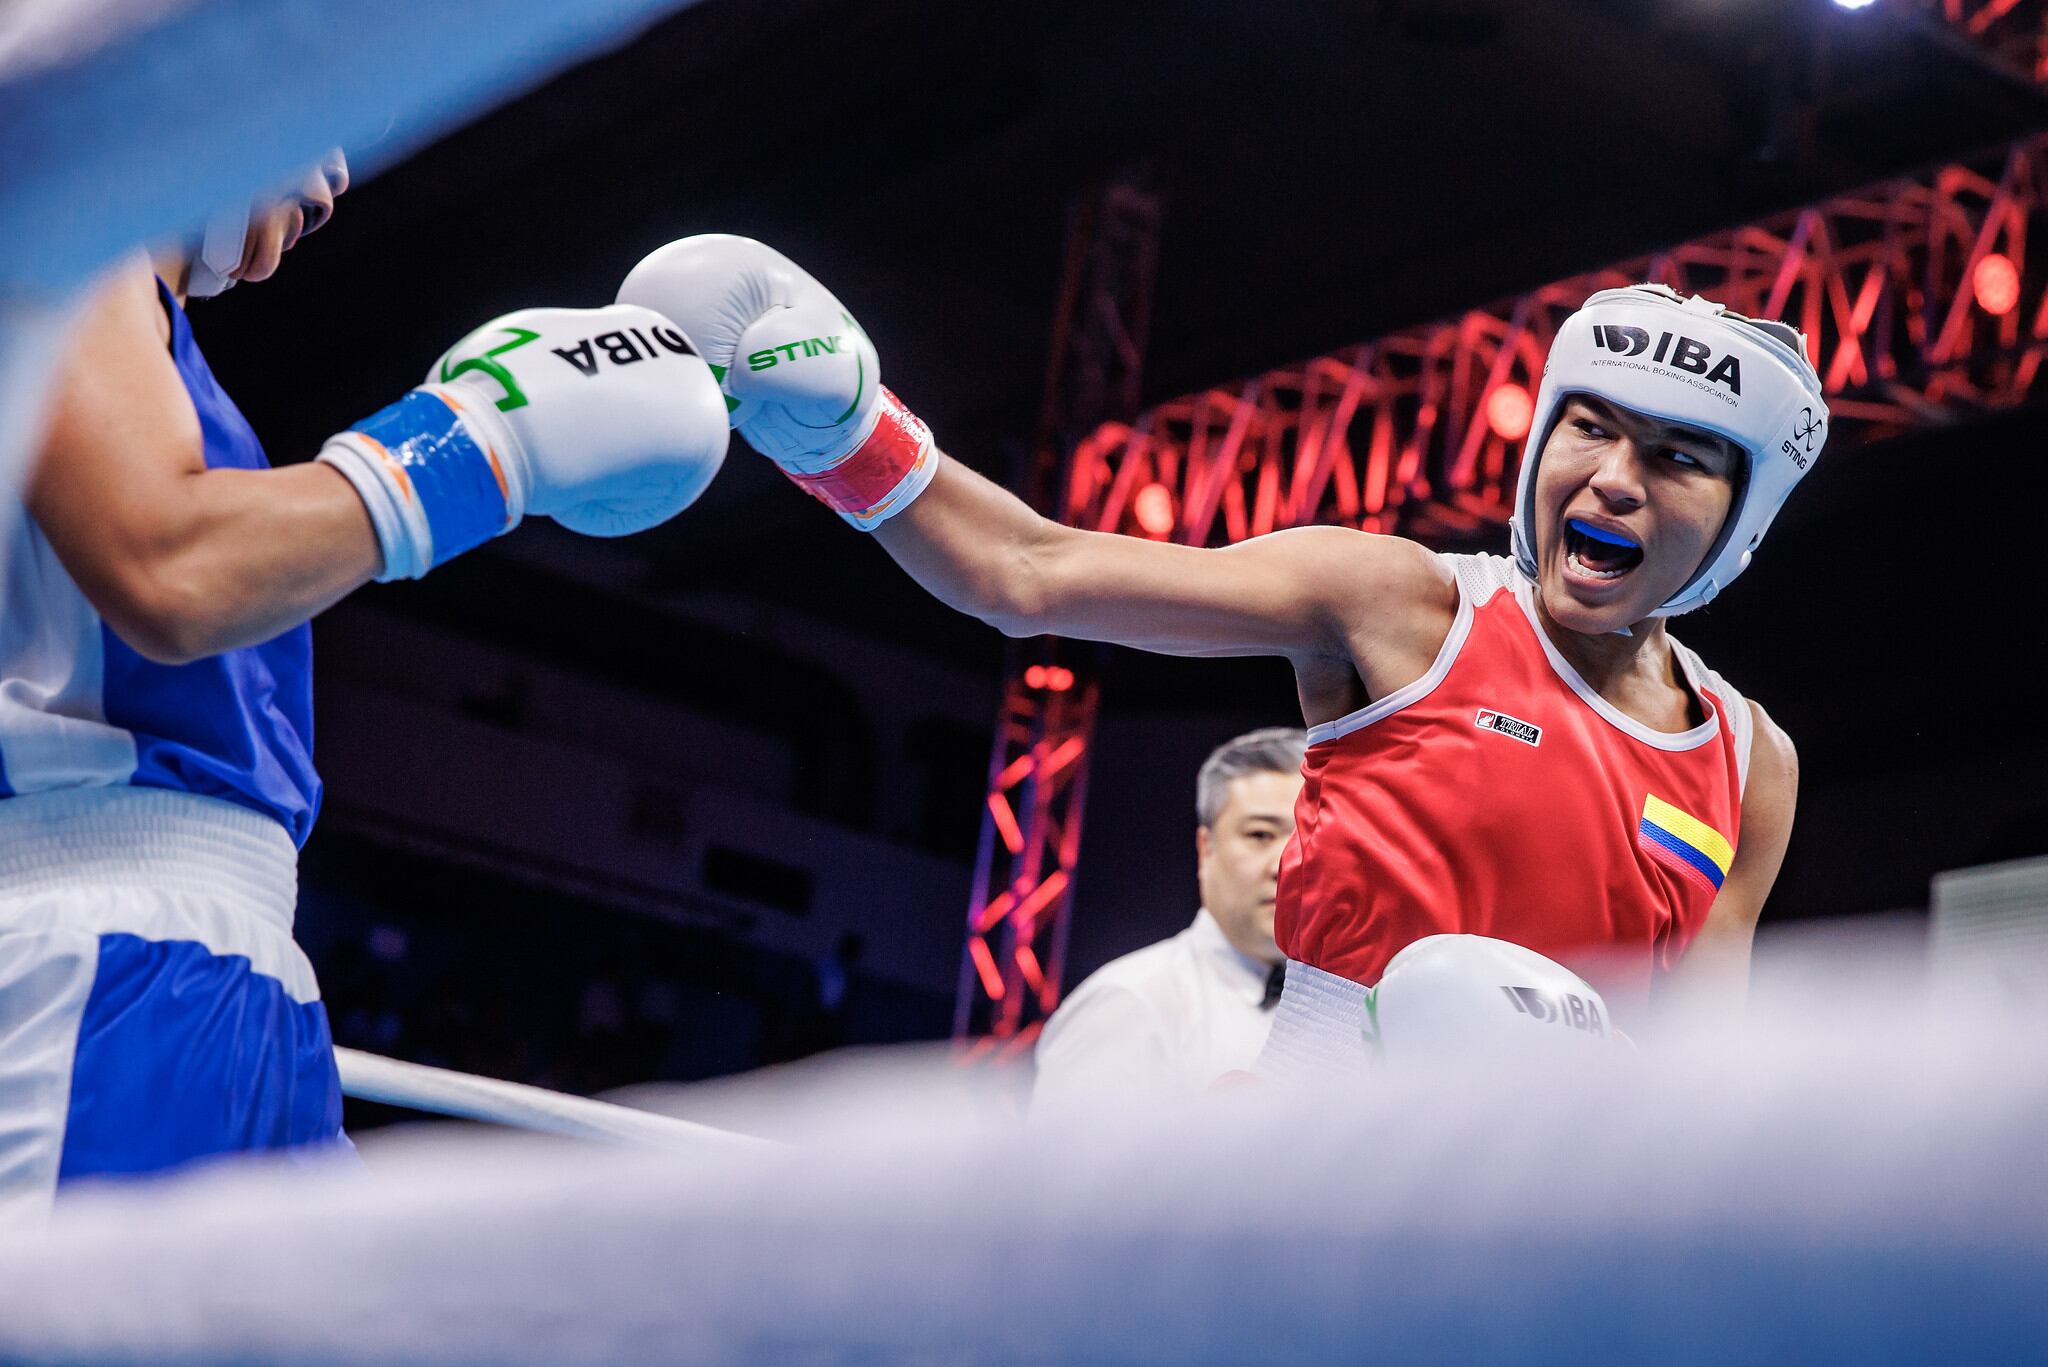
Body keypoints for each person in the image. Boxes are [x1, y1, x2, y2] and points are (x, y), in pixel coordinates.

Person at [617, 237, 1817, 1064]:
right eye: (1589, 429)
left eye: (1675, 457)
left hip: (1547, 1248)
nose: (1610, 477)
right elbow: (1029, 575)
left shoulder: (1749, 762)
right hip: (1300, 1184)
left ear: (1739, 517)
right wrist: (843, 438)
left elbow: (1694, 1075)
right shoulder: (1402, 604)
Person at [0, 157, 731, 1217]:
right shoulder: (67, 230)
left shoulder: (138, 324)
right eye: (327, 113)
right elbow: (171, 568)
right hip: (98, 958)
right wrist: (480, 440)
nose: (334, 178)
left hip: (224, 971)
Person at [1031, 728, 1303, 1116]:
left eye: (1309, 837)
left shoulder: (1367, 1001)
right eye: (1260, 834)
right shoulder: (1132, 1003)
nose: (1286, 865)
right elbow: (1063, 1174)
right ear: (1205, 849)